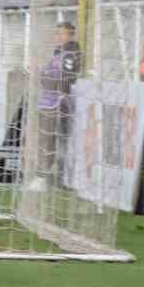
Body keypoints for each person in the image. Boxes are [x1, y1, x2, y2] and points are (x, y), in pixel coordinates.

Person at [33, 21, 83, 189]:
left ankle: (44, 177)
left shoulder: (71, 53)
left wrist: (53, 85)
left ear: (71, 35)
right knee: (47, 140)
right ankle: (51, 176)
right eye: (58, 33)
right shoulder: (57, 53)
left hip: (58, 102)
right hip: (47, 102)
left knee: (50, 140)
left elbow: (68, 77)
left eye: (63, 33)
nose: (59, 37)